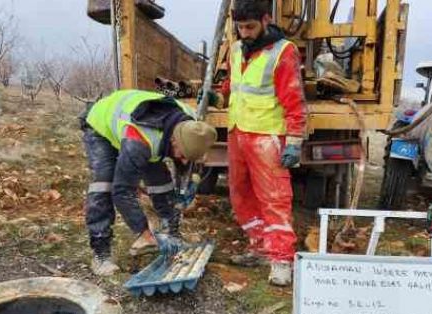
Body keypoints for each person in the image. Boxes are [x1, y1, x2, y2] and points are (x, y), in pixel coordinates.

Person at [203, 0, 307, 286]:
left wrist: (294, 140)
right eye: (240, 27)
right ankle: (260, 246)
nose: (245, 33)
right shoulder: (236, 49)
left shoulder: (283, 51)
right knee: (239, 193)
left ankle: (282, 260)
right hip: (238, 133)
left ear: (265, 20)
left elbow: (294, 99)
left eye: (250, 27)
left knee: (274, 199)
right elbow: (233, 85)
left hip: (266, 136)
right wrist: (218, 97)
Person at [80, 89, 217, 276]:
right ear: (174, 142)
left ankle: (172, 234)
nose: (184, 161)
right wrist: (144, 232)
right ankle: (101, 253)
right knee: (105, 184)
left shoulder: (192, 125)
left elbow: (192, 159)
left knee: (161, 183)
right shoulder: (141, 141)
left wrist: (189, 183)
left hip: (149, 130)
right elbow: (122, 192)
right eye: (182, 156)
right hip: (101, 125)